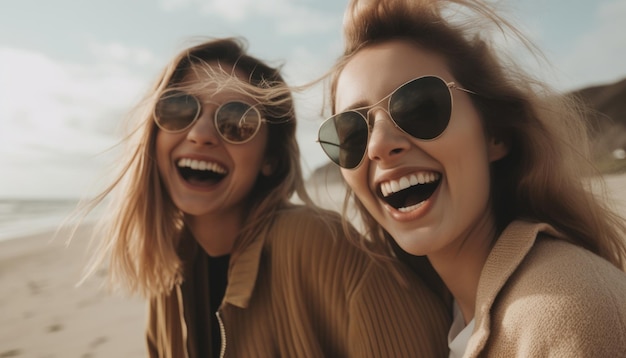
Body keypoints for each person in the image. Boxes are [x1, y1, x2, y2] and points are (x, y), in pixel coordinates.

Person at [75, 37, 451, 357]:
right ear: (153, 136)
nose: (202, 134)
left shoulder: (314, 240)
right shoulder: (169, 272)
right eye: (178, 111)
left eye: (237, 121)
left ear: (268, 159)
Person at [316, 0, 626, 357]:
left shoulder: (565, 314)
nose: (379, 145)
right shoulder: (444, 317)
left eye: (420, 108)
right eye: (350, 132)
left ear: (495, 134)